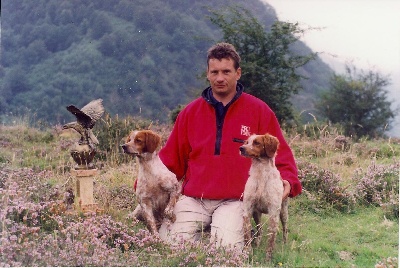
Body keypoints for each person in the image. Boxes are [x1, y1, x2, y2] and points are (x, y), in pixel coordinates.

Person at [158, 42, 301, 249]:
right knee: (167, 245)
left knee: (227, 253)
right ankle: (202, 240)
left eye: (226, 71)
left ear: (238, 73)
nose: (220, 78)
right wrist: (147, 185)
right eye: (214, 72)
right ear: (207, 73)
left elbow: (281, 155)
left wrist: (288, 182)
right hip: (193, 199)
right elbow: (171, 159)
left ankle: (231, 237)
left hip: (235, 200)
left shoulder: (259, 110)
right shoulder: (189, 113)